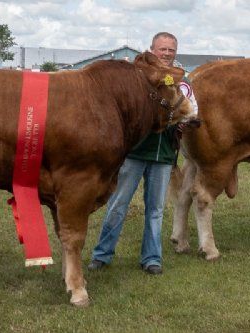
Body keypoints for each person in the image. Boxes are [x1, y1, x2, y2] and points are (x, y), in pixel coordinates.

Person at [88, 32, 193, 275]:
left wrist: (184, 122)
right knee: (118, 204)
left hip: (164, 154)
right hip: (136, 152)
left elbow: (187, 110)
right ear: (152, 49)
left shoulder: (181, 81)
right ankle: (102, 254)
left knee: (155, 209)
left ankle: (152, 258)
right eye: (162, 49)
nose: (167, 54)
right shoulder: (138, 76)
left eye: (171, 50)